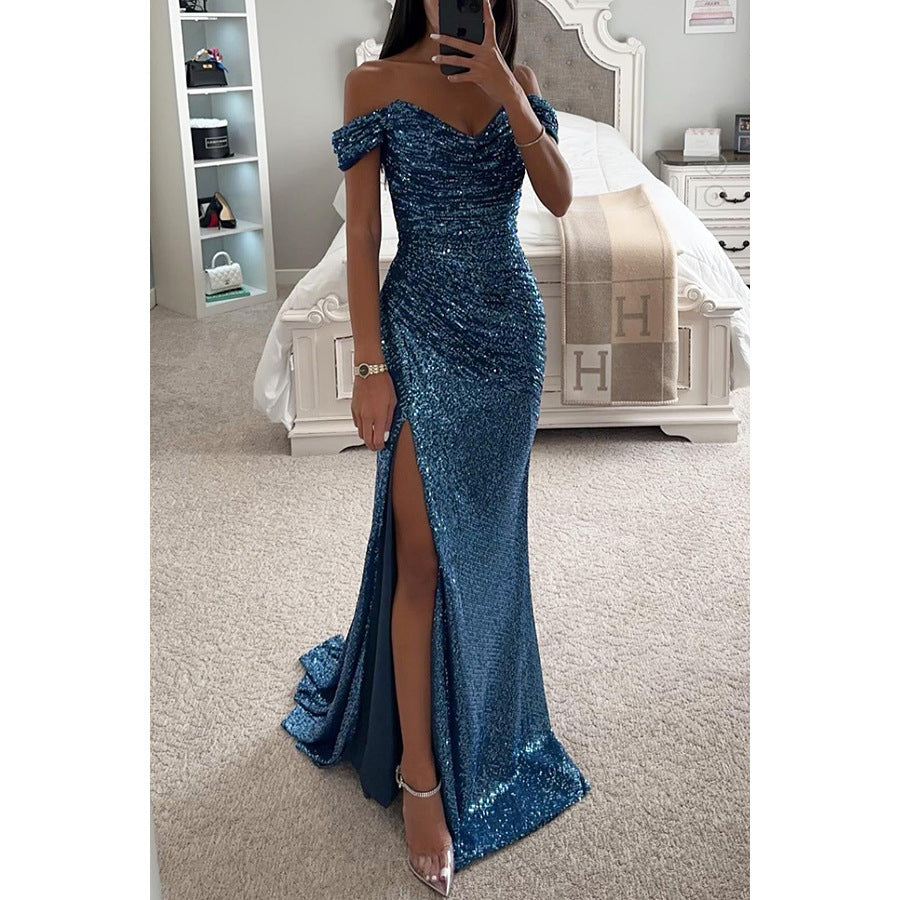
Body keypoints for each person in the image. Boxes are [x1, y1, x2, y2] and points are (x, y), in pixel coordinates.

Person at [281, 1, 590, 894]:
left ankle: (487, 712)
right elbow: (364, 234)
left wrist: (508, 93)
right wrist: (369, 363)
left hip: (507, 338)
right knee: (418, 558)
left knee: (489, 545)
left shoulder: (517, 82)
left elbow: (561, 197)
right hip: (420, 332)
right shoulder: (371, 84)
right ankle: (421, 778)